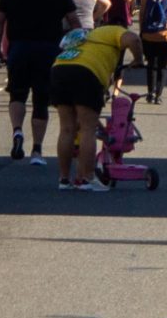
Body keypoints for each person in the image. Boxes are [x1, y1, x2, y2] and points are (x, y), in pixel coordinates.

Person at [0, 0, 73, 163]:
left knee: (17, 93)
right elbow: (75, 21)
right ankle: (37, 150)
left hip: (19, 48)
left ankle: (17, 130)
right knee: (41, 100)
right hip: (49, 50)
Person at [49, 20, 133, 191]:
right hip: (85, 73)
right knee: (88, 129)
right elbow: (133, 40)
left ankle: (64, 179)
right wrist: (138, 60)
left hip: (59, 69)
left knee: (66, 129)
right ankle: (88, 179)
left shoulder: (84, 37)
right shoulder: (115, 30)